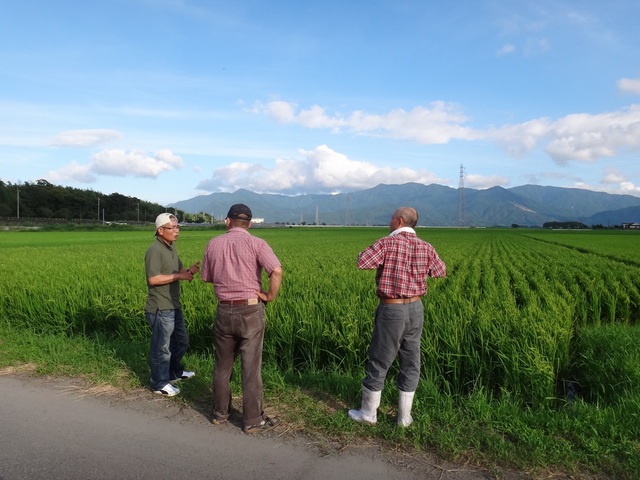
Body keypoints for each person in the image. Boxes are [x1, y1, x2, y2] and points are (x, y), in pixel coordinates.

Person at [348, 207, 446, 427]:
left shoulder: (386, 243)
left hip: (392, 309)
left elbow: (363, 262)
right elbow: (440, 270)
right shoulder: (426, 246)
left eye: (391, 218)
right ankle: (404, 418)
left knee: (380, 359)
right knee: (411, 360)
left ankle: (368, 413)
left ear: (399, 221)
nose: (389, 221)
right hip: (416, 307)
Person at [200, 203, 283, 434]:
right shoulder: (257, 243)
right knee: (250, 368)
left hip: (224, 311)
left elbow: (206, 277)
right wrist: (269, 295)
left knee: (222, 366)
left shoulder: (213, 243)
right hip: (250, 311)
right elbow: (276, 270)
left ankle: (220, 414)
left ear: (228, 221)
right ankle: (252, 420)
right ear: (248, 224)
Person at [144, 213, 200, 396]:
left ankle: (174, 373)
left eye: (177, 227)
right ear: (160, 230)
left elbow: (179, 270)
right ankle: (159, 383)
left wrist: (188, 271)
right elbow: (153, 279)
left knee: (181, 341)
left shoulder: (171, 248)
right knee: (162, 347)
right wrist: (179, 276)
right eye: (172, 228)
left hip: (173, 305)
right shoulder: (155, 250)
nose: (176, 231)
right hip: (160, 307)